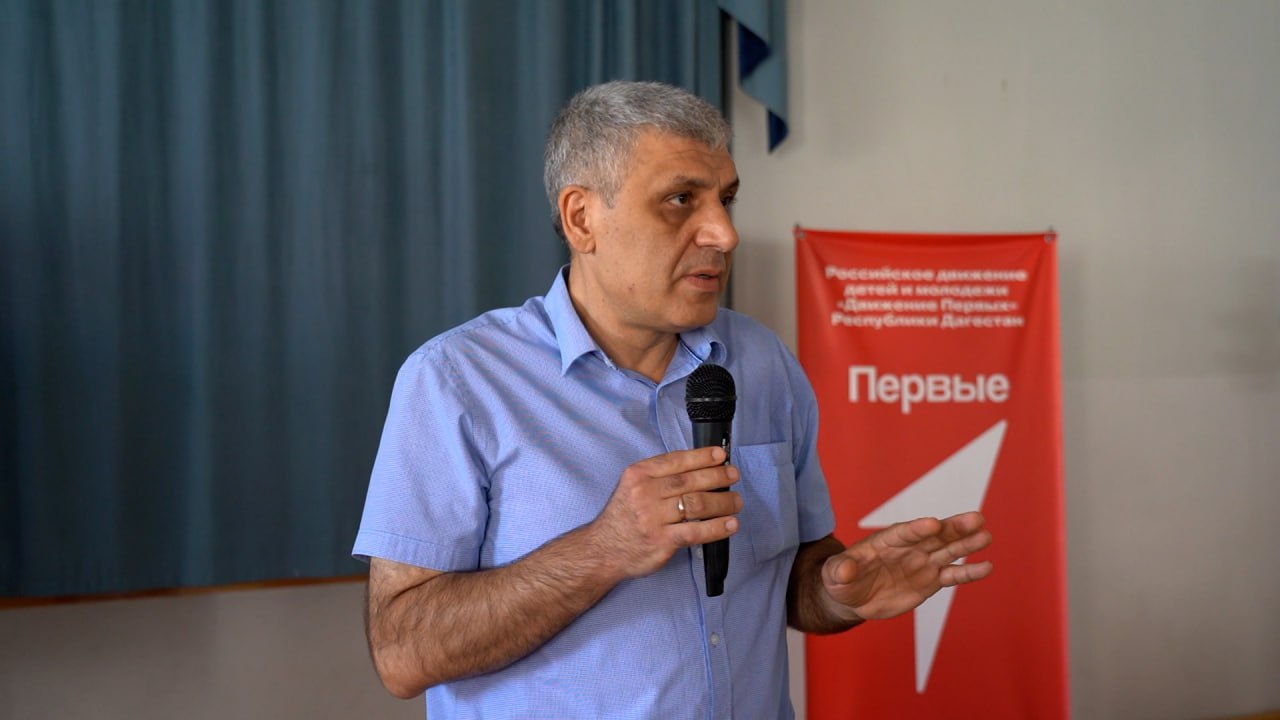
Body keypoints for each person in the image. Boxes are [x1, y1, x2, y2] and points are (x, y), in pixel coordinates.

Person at [353, 80, 993, 718]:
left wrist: (836, 591)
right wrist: (603, 549)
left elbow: (788, 577)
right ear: (582, 219)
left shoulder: (763, 362)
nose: (724, 233)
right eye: (680, 200)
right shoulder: (458, 379)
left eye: (727, 200)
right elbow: (403, 654)